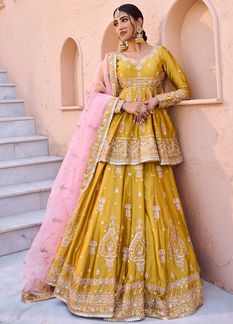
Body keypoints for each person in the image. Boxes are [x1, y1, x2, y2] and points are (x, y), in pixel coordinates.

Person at [21, 3, 203, 321]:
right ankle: (103, 284)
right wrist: (124, 104)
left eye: (124, 20)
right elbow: (94, 97)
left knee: (156, 206)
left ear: (138, 22)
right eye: (115, 22)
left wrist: (156, 100)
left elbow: (184, 89)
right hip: (118, 139)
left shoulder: (161, 54)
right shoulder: (111, 61)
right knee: (110, 207)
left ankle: (156, 286)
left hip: (153, 141)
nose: (119, 26)